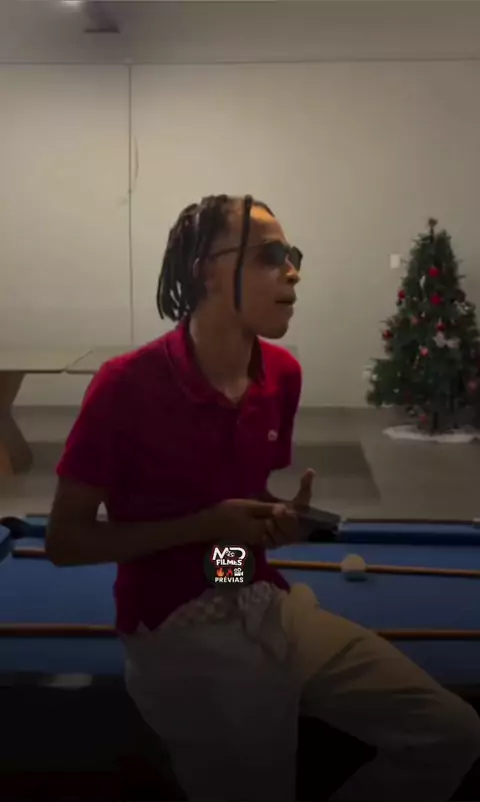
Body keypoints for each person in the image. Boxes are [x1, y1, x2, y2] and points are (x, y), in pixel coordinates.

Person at [47, 195, 480, 801]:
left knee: (450, 731)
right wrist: (206, 525)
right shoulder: (124, 385)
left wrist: (274, 523)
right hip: (172, 626)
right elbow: (65, 541)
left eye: (292, 255)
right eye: (271, 256)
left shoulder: (281, 375)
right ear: (206, 269)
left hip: (261, 597)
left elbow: (232, 532)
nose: (293, 271)